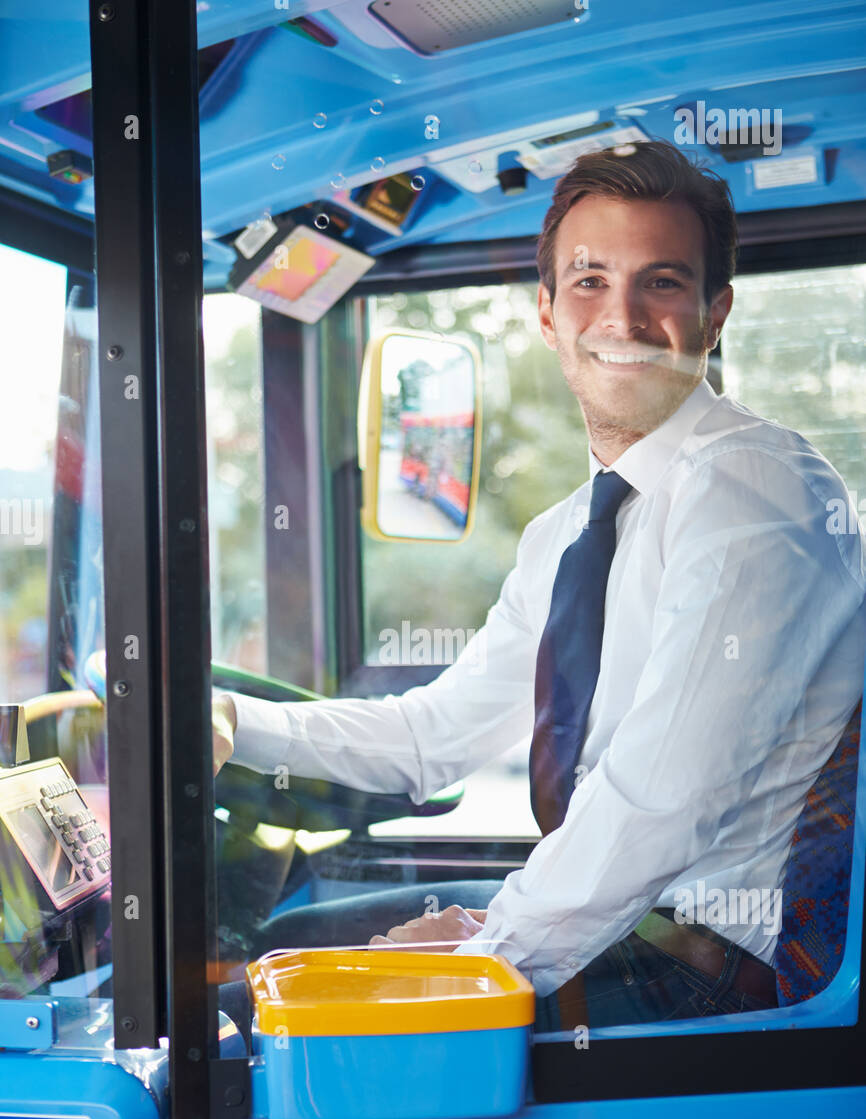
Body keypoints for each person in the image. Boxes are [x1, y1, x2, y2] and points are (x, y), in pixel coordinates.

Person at [212, 140, 866, 1030]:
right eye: (591, 283)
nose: (623, 319)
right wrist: (229, 724)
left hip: (714, 965)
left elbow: (661, 799)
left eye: (662, 284)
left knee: (248, 1018)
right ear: (549, 315)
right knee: (289, 946)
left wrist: (480, 962)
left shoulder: (754, 488)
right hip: (632, 920)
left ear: (715, 315)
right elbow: (429, 738)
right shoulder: (566, 532)